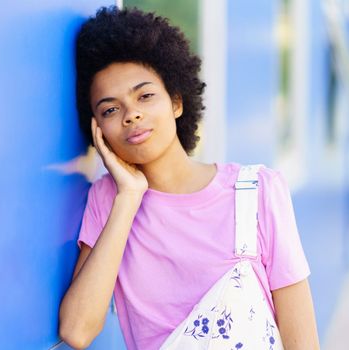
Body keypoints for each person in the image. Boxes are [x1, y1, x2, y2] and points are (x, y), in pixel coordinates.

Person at [58, 5, 320, 350]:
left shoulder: (256, 192)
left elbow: (302, 341)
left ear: (177, 102)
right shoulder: (109, 200)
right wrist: (129, 197)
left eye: (145, 96)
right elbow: (77, 330)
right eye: (110, 109)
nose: (131, 114)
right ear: (97, 130)